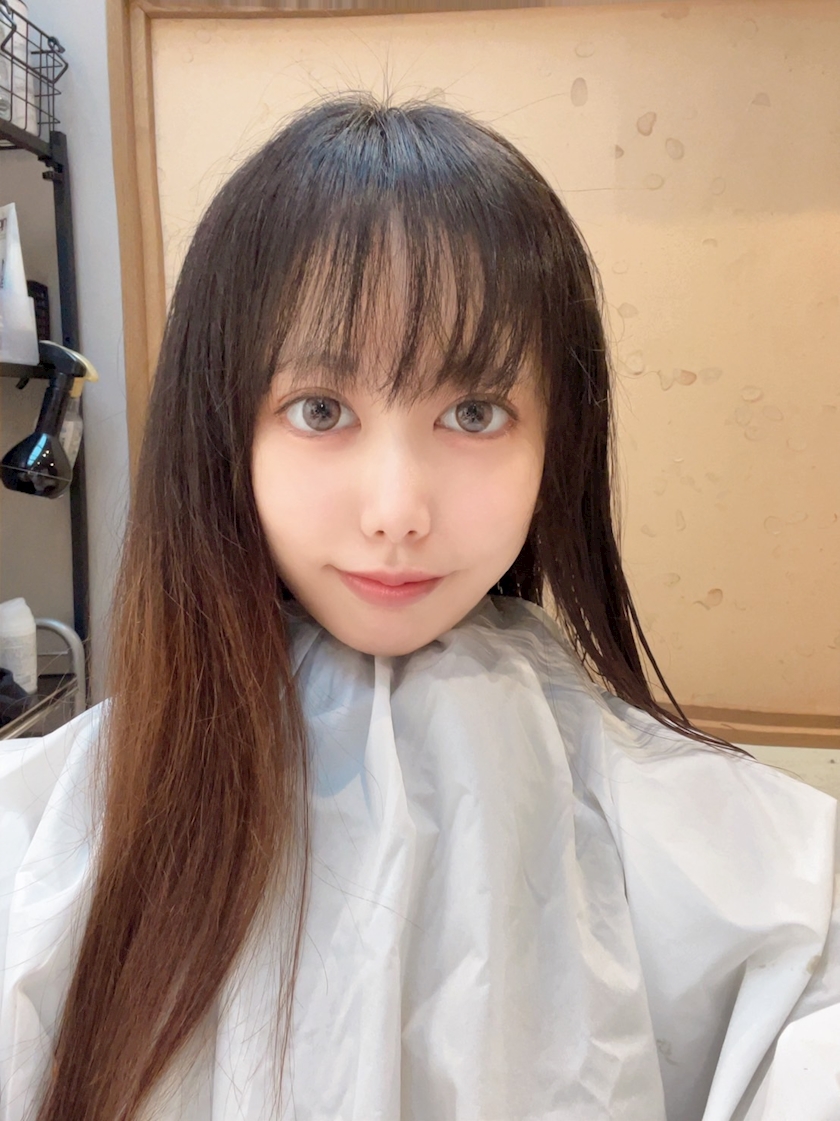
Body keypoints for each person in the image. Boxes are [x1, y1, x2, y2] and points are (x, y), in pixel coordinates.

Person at [1, 93, 837, 1121]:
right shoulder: (55, 822)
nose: (397, 510)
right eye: (320, 409)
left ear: (559, 439)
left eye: (473, 412)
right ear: (223, 429)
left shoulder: (676, 814)